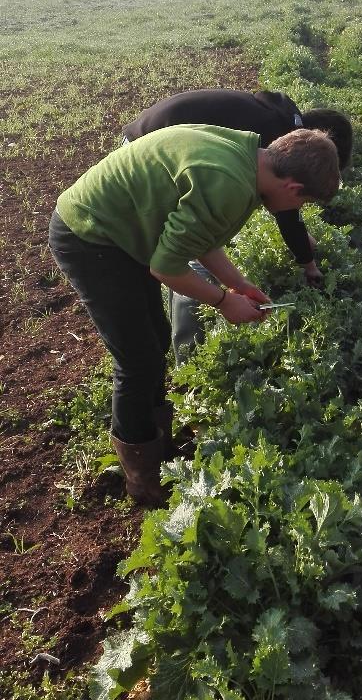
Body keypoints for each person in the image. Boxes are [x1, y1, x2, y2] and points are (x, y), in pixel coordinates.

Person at [49, 125, 341, 507]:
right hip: (91, 237)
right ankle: (144, 480)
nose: (297, 212)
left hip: (120, 233)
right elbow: (167, 267)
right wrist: (224, 302)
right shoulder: (229, 183)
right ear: (293, 189)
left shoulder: (246, 157)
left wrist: (238, 284)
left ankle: (158, 443)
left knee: (154, 336)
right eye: (303, 204)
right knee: (137, 361)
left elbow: (201, 238)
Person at [123, 89, 353, 360]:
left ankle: (178, 344)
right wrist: (309, 265)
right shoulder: (251, 166)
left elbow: (286, 205)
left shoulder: (284, 125)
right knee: (186, 256)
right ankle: (191, 355)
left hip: (159, 140)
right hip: (148, 149)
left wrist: (240, 283)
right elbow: (287, 213)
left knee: (195, 243)